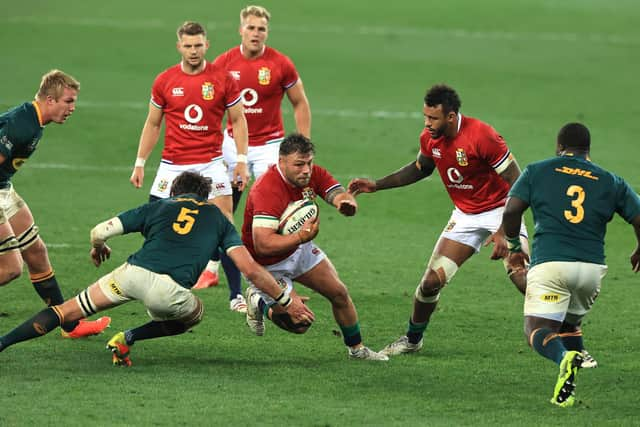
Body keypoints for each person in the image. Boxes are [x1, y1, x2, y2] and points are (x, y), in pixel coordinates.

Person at [0, 171, 315, 365]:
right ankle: (128, 337)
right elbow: (252, 270)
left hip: (130, 274)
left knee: (66, 311)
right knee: (195, 314)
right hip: (169, 291)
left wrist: (98, 248)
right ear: (204, 197)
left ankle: (2, 343)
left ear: (175, 193)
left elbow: (99, 231)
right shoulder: (218, 219)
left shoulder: (159, 206)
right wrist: (287, 301)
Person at [348, 84, 529, 357]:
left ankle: (568, 333)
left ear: (452, 117)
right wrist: (377, 185)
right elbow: (420, 168)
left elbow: (519, 183)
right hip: (465, 215)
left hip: (502, 211)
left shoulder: (483, 136)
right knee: (430, 283)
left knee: (520, 275)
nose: (427, 123)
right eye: (425, 116)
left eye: (433, 118)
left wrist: (505, 230)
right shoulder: (429, 138)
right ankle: (412, 340)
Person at [502, 122, 640, 407]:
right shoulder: (611, 180)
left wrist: (514, 246)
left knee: (537, 330)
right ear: (587, 150)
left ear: (559, 146)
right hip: (591, 271)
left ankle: (563, 357)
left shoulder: (537, 171)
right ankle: (573, 377)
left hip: (552, 265)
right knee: (568, 321)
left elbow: (512, 209)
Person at [129, 21, 250, 312]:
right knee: (153, 224)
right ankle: (160, 284)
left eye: (198, 45)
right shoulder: (165, 80)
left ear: (206, 45)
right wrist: (140, 162)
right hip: (172, 164)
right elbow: (153, 123)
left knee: (226, 227)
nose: (193, 51)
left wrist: (242, 162)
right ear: (179, 46)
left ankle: (235, 295)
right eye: (188, 45)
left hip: (210, 164)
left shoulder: (222, 78)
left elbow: (238, 119)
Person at [242, 133, 387, 361]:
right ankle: (258, 301)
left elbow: (333, 191)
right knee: (300, 324)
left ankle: (357, 349)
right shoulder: (266, 190)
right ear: (281, 162)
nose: (306, 170)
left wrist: (344, 201)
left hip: (299, 249)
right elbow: (263, 245)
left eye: (309, 162)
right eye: (299, 165)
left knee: (339, 293)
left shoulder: (312, 174)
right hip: (267, 266)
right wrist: (300, 236)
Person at [200, 5, 311, 290]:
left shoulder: (280, 64)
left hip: (270, 146)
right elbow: (209, 104)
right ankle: (211, 267)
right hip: (232, 143)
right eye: (251, 27)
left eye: (261, 29)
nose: (256, 33)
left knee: (277, 212)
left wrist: (302, 144)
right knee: (223, 205)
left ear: (267, 32)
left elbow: (300, 102)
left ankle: (281, 276)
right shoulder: (224, 62)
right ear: (241, 30)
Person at [0, 69, 110, 338]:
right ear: (50, 100)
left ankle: (69, 325)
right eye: (68, 101)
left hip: (3, 187)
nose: (73, 108)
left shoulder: (35, 120)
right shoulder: (21, 125)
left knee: (36, 251)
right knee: (11, 268)